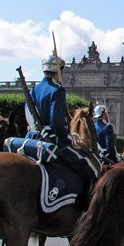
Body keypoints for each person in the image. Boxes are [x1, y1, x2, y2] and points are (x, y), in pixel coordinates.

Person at [28, 52, 99, 186]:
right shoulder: (57, 90)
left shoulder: (33, 90)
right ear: (59, 71)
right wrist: (68, 136)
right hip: (52, 139)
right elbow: (56, 124)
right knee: (92, 169)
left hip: (32, 137)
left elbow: (28, 115)